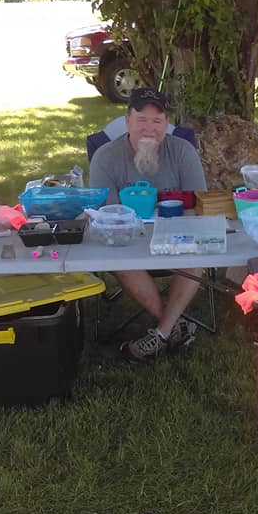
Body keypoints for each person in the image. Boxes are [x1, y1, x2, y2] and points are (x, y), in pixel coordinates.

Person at [89, 87, 208, 359]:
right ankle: (174, 326)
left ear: (166, 124)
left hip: (178, 239)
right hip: (128, 243)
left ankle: (162, 332)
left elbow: (200, 205)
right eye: (141, 119)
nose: (149, 128)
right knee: (117, 258)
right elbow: (109, 218)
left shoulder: (182, 152)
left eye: (157, 121)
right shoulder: (105, 158)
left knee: (197, 255)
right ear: (127, 120)